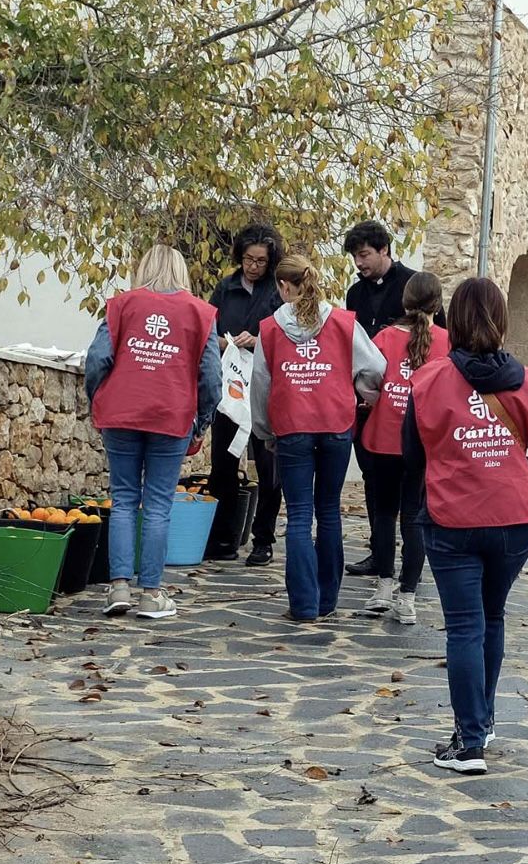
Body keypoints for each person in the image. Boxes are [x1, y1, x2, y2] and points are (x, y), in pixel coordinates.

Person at [405, 277, 528, 775]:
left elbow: (411, 453)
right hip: (515, 516)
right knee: (492, 617)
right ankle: (481, 724)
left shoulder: (428, 380)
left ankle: (469, 744)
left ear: (456, 320)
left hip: (452, 517)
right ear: (502, 320)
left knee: (464, 625)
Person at [86, 245, 221, 620]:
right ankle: (151, 593)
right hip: (171, 414)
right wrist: (203, 421)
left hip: (121, 412)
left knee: (124, 498)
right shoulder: (201, 312)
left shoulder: (120, 305)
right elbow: (211, 376)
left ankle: (117, 588)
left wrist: (96, 399)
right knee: (159, 504)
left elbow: (98, 359)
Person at [251, 254, 385, 622]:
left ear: (283, 286)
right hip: (335, 423)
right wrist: (361, 393)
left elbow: (261, 384)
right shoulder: (343, 322)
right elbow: (375, 367)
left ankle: (304, 604)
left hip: (291, 425)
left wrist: (264, 430)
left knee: (297, 515)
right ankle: (328, 599)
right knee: (328, 511)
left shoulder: (270, 328)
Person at [341, 220, 445, 578]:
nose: (360, 262)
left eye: (365, 254)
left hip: (406, 408)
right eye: (356, 256)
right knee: (375, 485)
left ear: (384, 250)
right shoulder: (355, 294)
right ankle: (380, 554)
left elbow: (436, 345)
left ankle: (407, 564)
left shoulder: (414, 285)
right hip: (369, 407)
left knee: (411, 499)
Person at [359, 272, 450, 624]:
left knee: (384, 513)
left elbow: (367, 379)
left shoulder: (384, 337)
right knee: (415, 517)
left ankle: (383, 587)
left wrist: (374, 399)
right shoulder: (446, 341)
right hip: (425, 440)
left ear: (405, 302)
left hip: (384, 436)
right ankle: (407, 596)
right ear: (438, 305)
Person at [207, 223, 285, 565]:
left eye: (261, 261)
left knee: (267, 466)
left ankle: (263, 539)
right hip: (231, 388)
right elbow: (207, 331)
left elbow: (288, 333)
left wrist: (260, 341)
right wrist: (224, 342)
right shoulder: (225, 288)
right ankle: (222, 538)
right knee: (223, 463)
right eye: (249, 259)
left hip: (268, 388)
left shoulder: (277, 290)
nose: (253, 267)